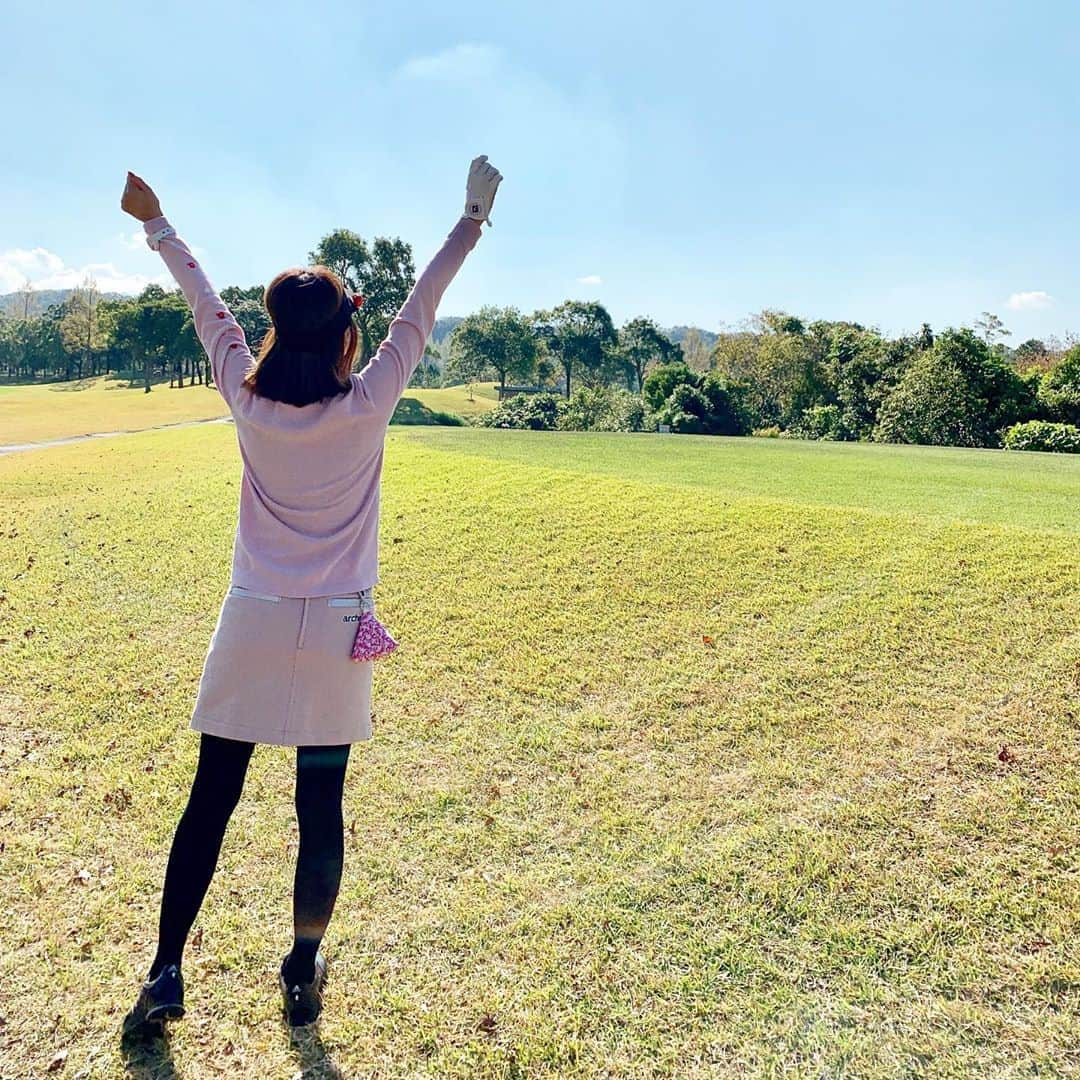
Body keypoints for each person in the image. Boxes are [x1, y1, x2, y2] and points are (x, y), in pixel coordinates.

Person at [118, 156, 502, 1032]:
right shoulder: (368, 403)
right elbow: (422, 304)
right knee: (318, 805)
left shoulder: (246, 401)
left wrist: (157, 222)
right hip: (336, 633)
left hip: (250, 619)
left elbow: (206, 306)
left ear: (271, 335)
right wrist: (472, 216)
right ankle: (299, 969)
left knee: (211, 796)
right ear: (341, 338)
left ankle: (167, 970)